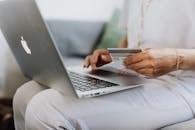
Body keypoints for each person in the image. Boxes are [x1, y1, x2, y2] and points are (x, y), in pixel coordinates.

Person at [13, 0, 195, 130]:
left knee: (45, 110)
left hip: (180, 85)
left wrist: (176, 58)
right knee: (25, 94)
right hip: (132, 75)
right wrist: (115, 55)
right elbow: (131, 39)